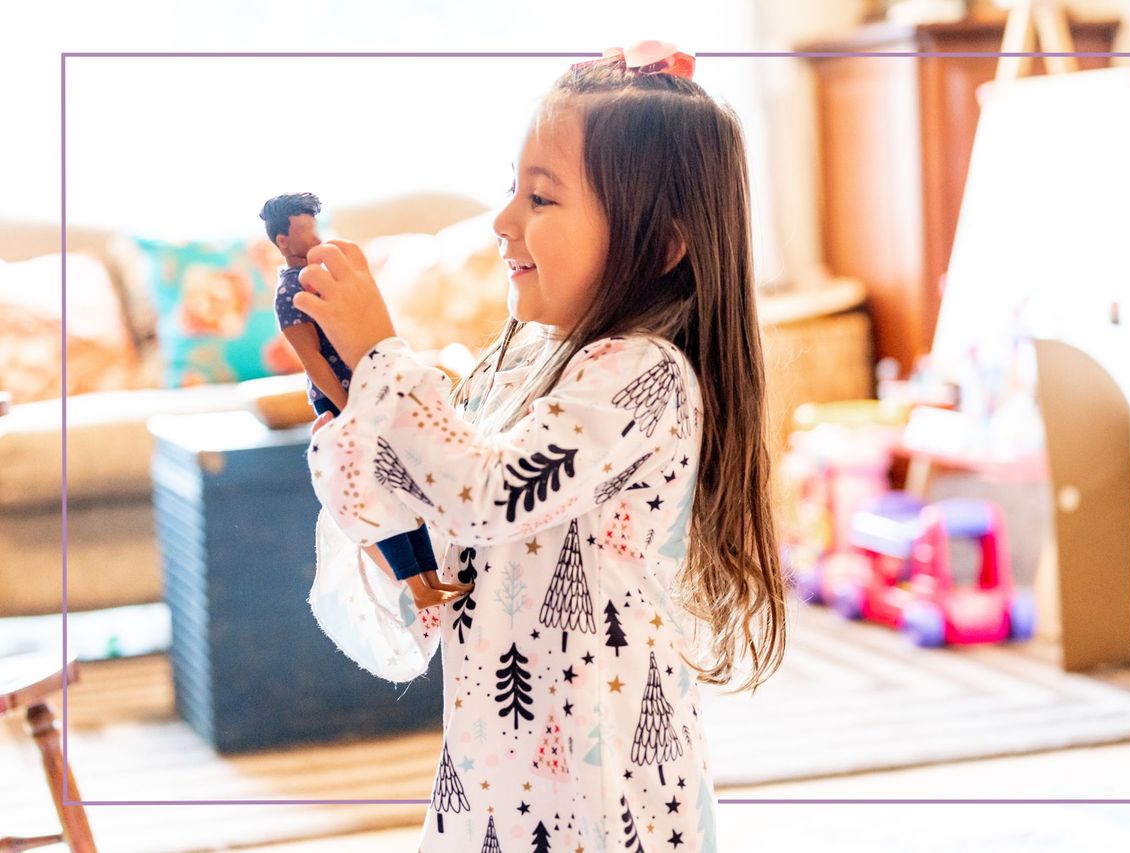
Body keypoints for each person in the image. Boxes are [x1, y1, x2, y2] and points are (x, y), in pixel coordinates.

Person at [297, 40, 788, 853]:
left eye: (542, 199)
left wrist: (383, 356)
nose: (503, 222)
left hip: (606, 788)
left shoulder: (644, 375)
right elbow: (450, 530)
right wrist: (359, 435)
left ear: (660, 245)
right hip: (495, 770)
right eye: (510, 190)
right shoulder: (527, 362)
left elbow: (489, 490)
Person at [260, 192, 468, 608]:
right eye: (304, 230)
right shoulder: (289, 295)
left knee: (402, 484)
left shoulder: (322, 277)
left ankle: (430, 576)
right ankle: (414, 586)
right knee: (378, 494)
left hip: (371, 390)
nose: (315, 237)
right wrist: (347, 410)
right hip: (346, 401)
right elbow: (313, 360)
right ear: (283, 240)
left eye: (316, 227)